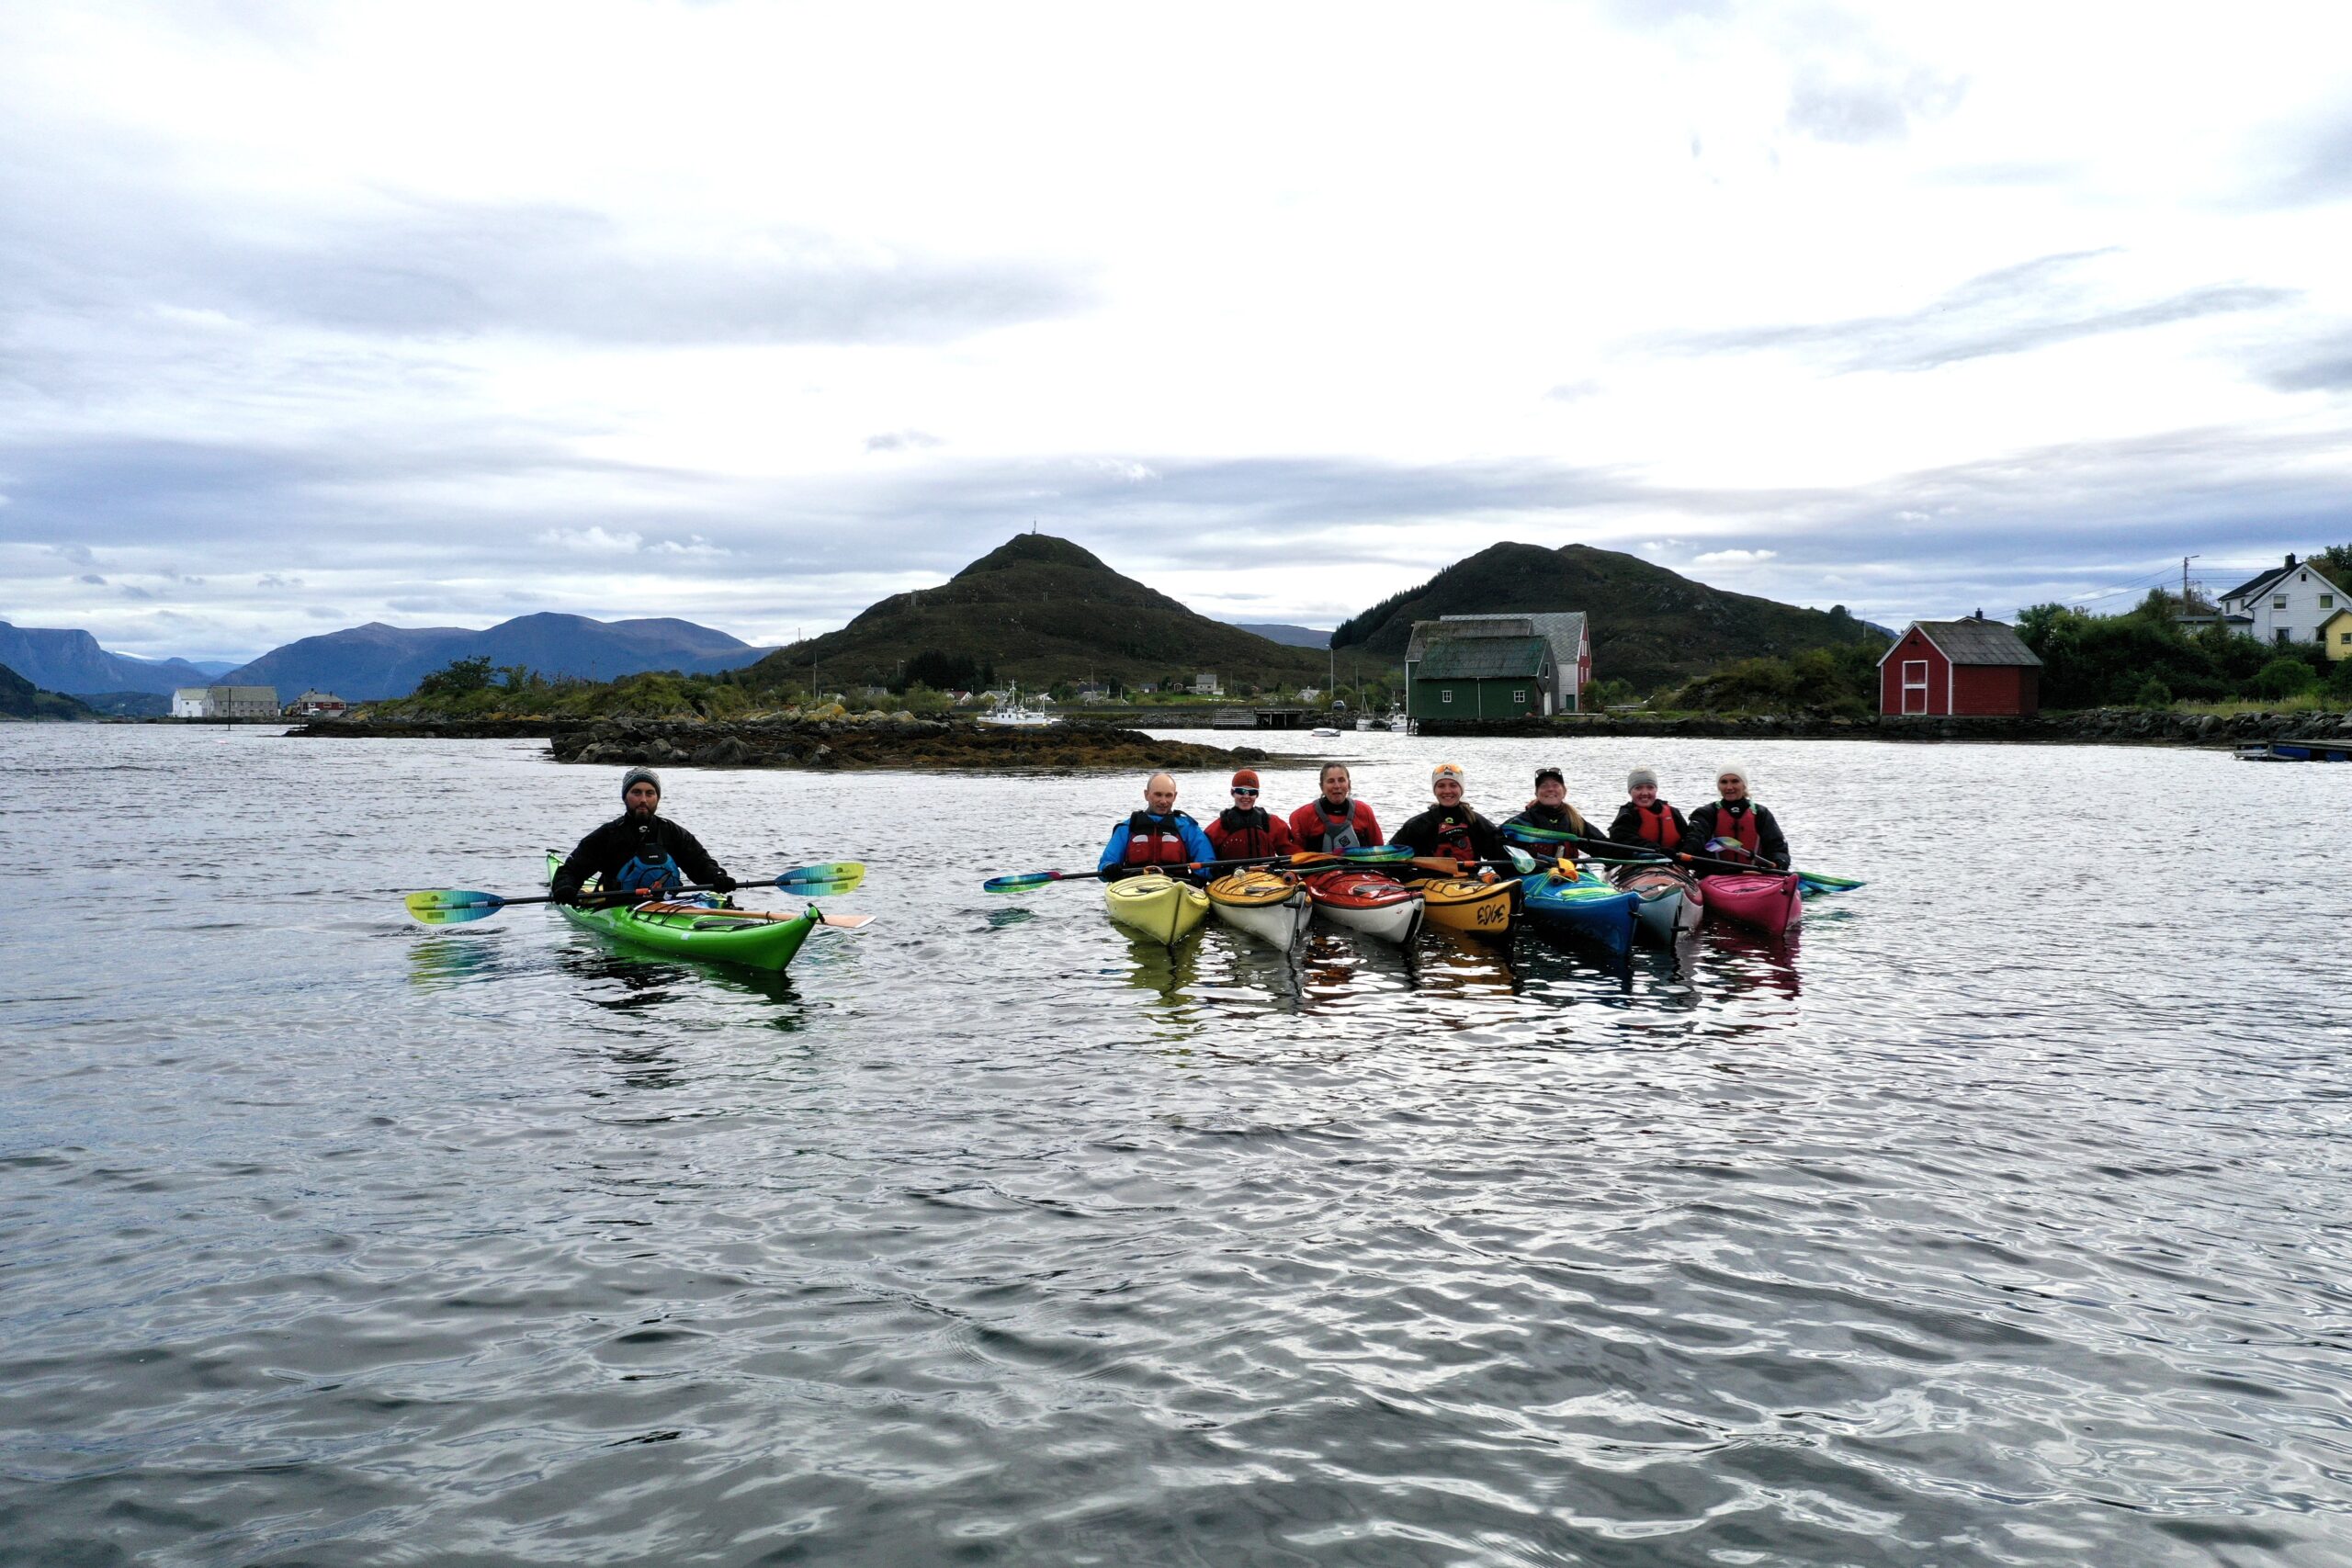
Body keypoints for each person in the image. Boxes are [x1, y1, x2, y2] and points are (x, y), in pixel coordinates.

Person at [549, 767, 737, 906]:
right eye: (636, 792)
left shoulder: (672, 832)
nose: (643, 800)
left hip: (667, 905)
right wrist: (564, 887)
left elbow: (700, 864)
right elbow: (571, 871)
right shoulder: (608, 834)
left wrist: (717, 877)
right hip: (619, 906)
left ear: (657, 798)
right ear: (625, 797)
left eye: (650, 793)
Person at [1391, 762, 1508, 878]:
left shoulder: (1477, 822)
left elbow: (1501, 858)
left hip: (1470, 884)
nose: (1447, 791)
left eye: (1453, 785)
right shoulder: (1417, 825)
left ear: (1461, 789)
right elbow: (1392, 858)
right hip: (1427, 885)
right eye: (1441, 786)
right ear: (1435, 790)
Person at [1097, 772, 1216, 876]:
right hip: (1134, 887)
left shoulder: (1188, 828)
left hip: (1176, 886)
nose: (1163, 801)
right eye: (1158, 795)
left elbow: (1206, 863)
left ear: (1175, 796)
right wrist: (1109, 868)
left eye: (1168, 795)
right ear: (1146, 794)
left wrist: (1213, 870)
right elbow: (1106, 863)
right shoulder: (1127, 828)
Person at [1678, 764, 1791, 873]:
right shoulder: (1706, 813)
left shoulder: (1761, 814)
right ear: (1718, 786)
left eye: (1735, 781)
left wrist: (1780, 861)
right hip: (1715, 876)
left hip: (1755, 875)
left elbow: (1778, 847)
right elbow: (1695, 839)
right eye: (1724, 782)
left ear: (1744, 785)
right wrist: (1685, 852)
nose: (1729, 787)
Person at [1502, 765, 1598, 866]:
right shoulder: (1522, 822)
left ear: (1564, 792)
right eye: (1544, 786)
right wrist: (1535, 856)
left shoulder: (1575, 822)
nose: (1550, 789)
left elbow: (1603, 847)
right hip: (1533, 875)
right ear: (1536, 793)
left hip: (1567, 875)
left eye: (1555, 785)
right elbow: (1500, 846)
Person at [1288, 762, 1384, 854]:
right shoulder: (1304, 815)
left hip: (1359, 870)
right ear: (1322, 786)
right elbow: (1295, 853)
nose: (1337, 786)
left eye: (1341, 780)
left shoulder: (1364, 811)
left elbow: (1379, 848)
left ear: (1349, 784)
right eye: (1331, 781)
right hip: (1319, 870)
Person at [1205, 768, 1296, 861]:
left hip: (1268, 873)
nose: (1246, 797)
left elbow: (1291, 852)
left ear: (1257, 794)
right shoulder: (1219, 826)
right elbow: (1205, 857)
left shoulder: (1272, 823)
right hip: (1232, 874)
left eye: (1252, 792)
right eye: (1241, 791)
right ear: (1232, 793)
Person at [1608, 766, 1689, 859]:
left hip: (1672, 861)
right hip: (1638, 861)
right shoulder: (1626, 815)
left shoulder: (1673, 812)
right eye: (1638, 788)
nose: (1645, 793)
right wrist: (1657, 849)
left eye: (1650, 787)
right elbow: (1623, 839)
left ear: (1656, 790)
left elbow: (1687, 837)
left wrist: (1686, 850)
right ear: (1630, 792)